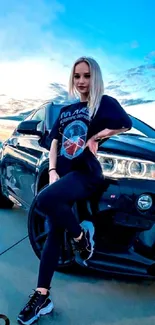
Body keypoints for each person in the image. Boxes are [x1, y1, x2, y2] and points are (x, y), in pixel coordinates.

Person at [17, 57, 132, 324]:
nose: (81, 81)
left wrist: (96, 137)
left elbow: (124, 123)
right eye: (77, 76)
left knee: (43, 201)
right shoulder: (66, 110)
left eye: (87, 76)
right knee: (54, 228)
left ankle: (81, 237)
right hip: (65, 174)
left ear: (95, 78)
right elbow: (55, 142)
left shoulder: (103, 103)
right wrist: (54, 171)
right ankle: (42, 296)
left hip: (86, 173)